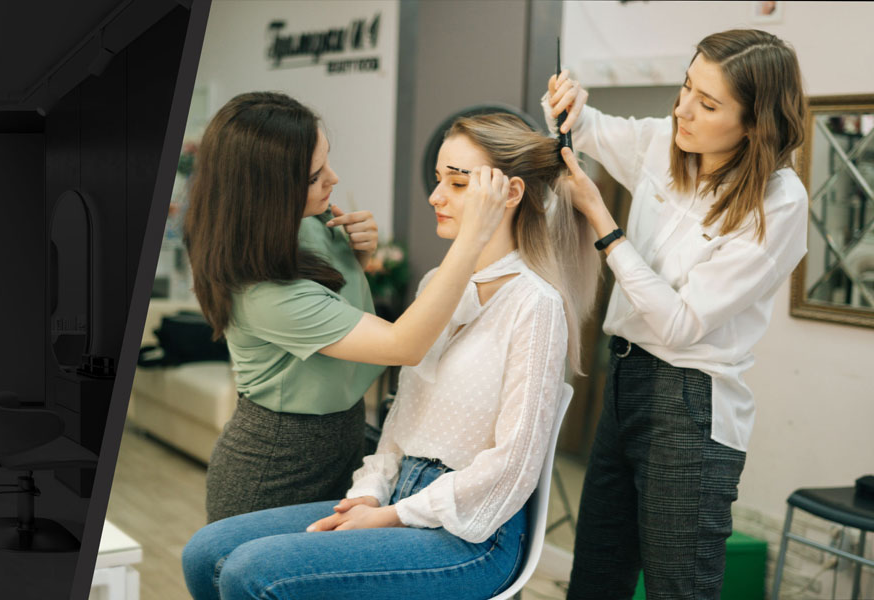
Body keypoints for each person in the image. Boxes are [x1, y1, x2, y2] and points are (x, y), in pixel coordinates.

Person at [182, 111, 598, 599]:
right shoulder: (435, 288)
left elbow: (512, 468)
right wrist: (367, 494)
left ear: (508, 195)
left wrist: (390, 515)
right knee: (205, 553)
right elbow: (400, 426)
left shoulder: (535, 305)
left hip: (470, 532)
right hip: (399, 495)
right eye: (438, 178)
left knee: (250, 572)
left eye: (459, 184)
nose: (435, 196)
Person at [545, 29, 808, 599]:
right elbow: (589, 131)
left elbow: (682, 324)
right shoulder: (668, 141)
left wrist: (603, 225)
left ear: (755, 122)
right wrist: (567, 106)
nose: (682, 109)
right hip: (626, 379)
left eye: (708, 104)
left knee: (678, 588)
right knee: (595, 577)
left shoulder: (779, 202)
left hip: (692, 403)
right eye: (686, 86)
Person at [184, 92, 510, 523]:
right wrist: (474, 237)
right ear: (269, 192)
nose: (333, 179)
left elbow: (335, 301)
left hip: (347, 438)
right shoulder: (261, 290)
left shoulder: (308, 223)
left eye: (327, 162)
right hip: (278, 466)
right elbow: (403, 345)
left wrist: (355, 258)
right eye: (315, 175)